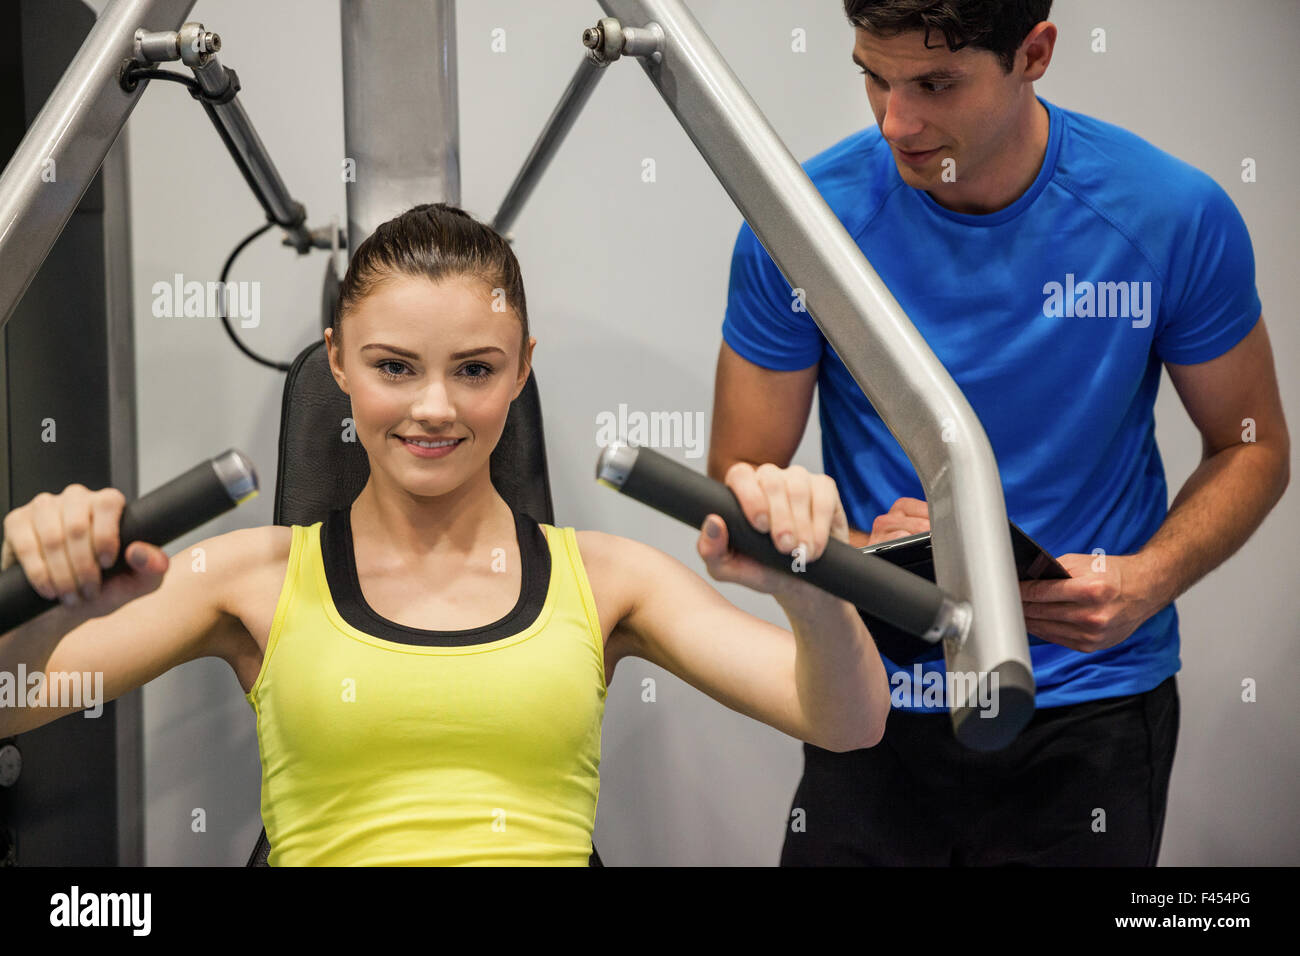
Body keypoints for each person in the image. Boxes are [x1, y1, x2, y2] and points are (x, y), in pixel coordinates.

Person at [0, 202, 891, 866]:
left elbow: (847, 721)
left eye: (474, 370)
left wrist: (814, 596)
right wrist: (47, 594)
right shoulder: (249, 578)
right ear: (338, 361)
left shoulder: (614, 579)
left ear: (522, 370)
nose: (434, 408)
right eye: (394, 367)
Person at [710, 0, 1289, 865]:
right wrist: (856, 549)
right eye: (873, 75)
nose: (895, 121)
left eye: (936, 83)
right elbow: (743, 476)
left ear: (1035, 52)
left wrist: (1147, 581)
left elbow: (1254, 445)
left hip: (1087, 704)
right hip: (878, 697)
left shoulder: (1170, 216)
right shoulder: (802, 229)